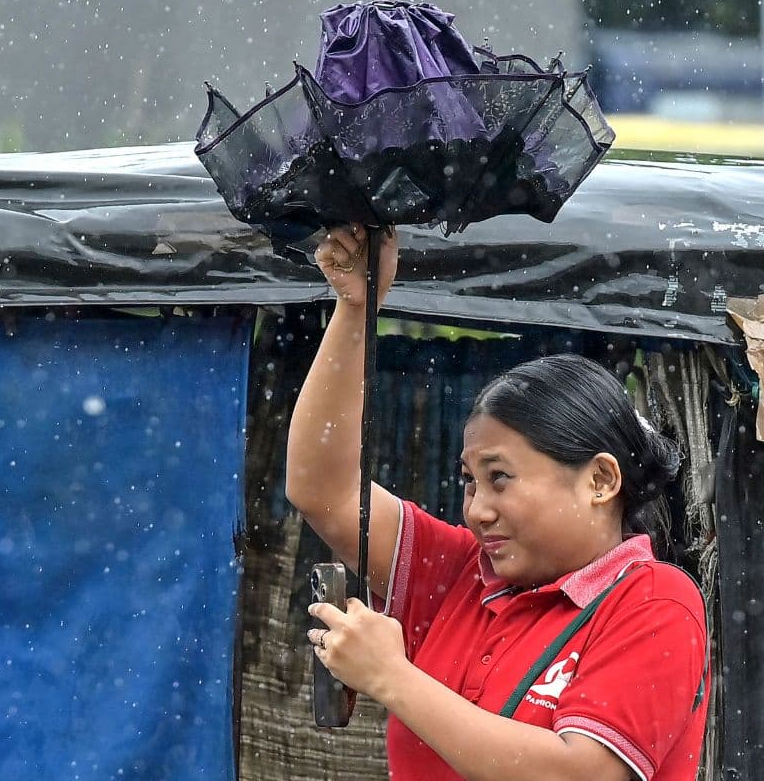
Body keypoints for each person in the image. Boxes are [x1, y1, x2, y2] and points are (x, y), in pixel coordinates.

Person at [287, 226, 709, 781]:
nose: (476, 509)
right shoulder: (462, 576)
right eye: (469, 481)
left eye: (500, 478)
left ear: (601, 481)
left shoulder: (654, 602)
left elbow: (581, 774)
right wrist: (356, 307)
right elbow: (324, 490)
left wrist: (392, 676)